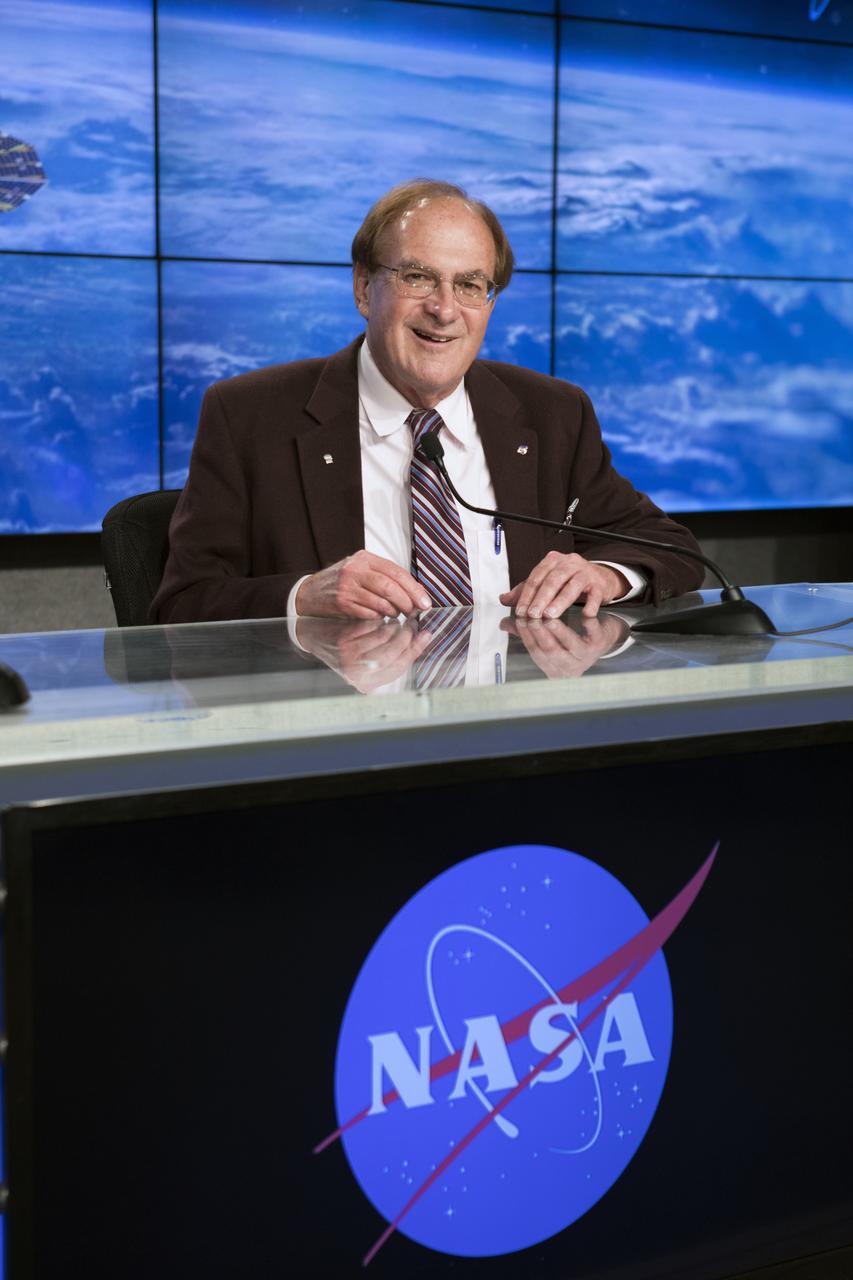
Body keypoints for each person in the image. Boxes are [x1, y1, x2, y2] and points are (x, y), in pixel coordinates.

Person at [150, 179, 703, 625]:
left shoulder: (552, 414)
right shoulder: (249, 416)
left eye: (470, 285)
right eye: (418, 277)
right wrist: (302, 596)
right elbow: (182, 605)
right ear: (364, 289)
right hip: (338, 732)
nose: (445, 310)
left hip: (517, 727)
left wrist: (605, 575)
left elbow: (672, 550)